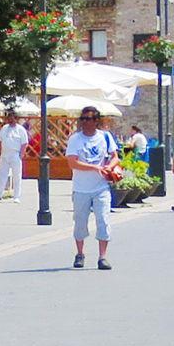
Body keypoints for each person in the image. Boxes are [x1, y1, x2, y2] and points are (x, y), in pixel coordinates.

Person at [65, 105, 121, 270]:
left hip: (100, 187)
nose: (85, 122)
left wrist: (110, 167)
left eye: (88, 119)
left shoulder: (105, 137)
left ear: (96, 121)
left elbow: (115, 157)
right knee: (80, 222)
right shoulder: (75, 139)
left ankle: (102, 257)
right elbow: (72, 162)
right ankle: (80, 253)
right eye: (82, 119)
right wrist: (96, 168)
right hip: (81, 187)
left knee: (103, 220)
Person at [0, 110, 31, 202]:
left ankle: (16, 197)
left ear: (16, 119)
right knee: (2, 175)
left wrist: (21, 154)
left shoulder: (21, 130)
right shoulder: (4, 128)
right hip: (4, 154)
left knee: (17, 175)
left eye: (12, 118)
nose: (10, 120)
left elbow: (24, 143)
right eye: (9, 118)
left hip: (15, 154)